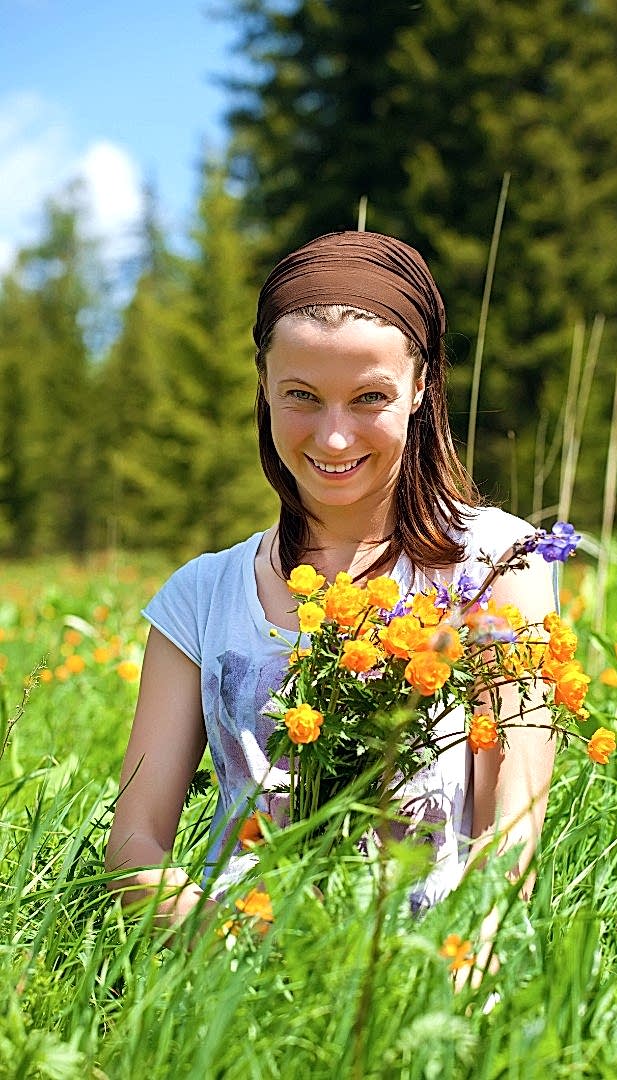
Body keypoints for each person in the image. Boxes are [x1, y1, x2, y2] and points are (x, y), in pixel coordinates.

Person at [105, 230, 556, 942]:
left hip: (429, 966)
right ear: (263, 385)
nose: (335, 437)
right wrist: (231, 938)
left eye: (369, 396)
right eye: (303, 396)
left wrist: (459, 957)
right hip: (230, 969)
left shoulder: (498, 565)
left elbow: (514, 823)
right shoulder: (201, 596)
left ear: (421, 387)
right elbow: (134, 846)